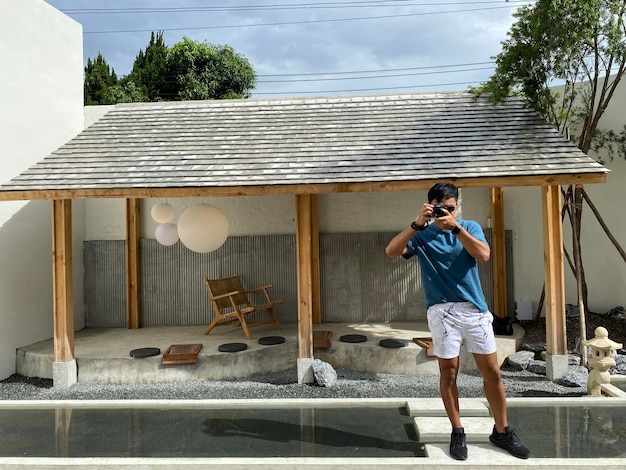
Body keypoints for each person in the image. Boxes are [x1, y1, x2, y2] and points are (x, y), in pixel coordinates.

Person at [385, 183, 530, 460]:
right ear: (430, 206)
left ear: (457, 205)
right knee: (449, 373)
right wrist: (417, 224)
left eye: (450, 208)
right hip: (441, 312)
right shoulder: (423, 234)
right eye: (441, 208)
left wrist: (456, 228)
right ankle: (457, 430)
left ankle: (502, 430)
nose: (446, 213)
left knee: (493, 373)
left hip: (474, 310)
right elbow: (392, 251)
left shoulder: (469, 227)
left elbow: (484, 255)